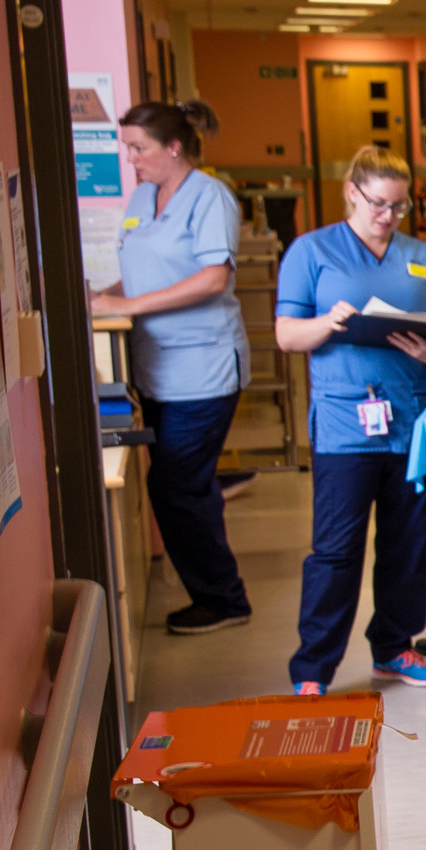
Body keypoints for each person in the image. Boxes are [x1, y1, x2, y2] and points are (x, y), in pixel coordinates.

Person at [272, 146, 426, 694]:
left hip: (413, 418)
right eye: (379, 203)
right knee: (336, 550)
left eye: (399, 207)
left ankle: (394, 648)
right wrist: (328, 323)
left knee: (406, 544)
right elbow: (287, 335)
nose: (388, 216)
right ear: (352, 191)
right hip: (344, 424)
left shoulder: (423, 256)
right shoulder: (312, 251)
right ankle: (313, 669)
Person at [90, 100, 253, 635]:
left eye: (139, 148)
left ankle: (224, 599)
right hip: (156, 367)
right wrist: (101, 298)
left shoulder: (210, 197)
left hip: (203, 366)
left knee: (177, 485)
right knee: (183, 485)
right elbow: (142, 275)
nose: (131, 159)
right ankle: (219, 594)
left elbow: (212, 277)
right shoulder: (142, 196)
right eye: (128, 148)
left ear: (174, 147)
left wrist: (127, 305)